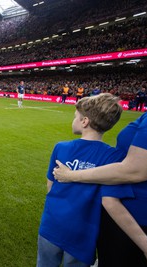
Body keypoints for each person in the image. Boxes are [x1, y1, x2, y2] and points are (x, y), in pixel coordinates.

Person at [37, 93, 136, 267]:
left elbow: (50, 184)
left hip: (52, 223)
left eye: (75, 116)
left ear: (85, 122)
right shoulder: (115, 157)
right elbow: (110, 200)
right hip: (84, 232)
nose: (73, 120)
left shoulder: (61, 147)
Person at [53, 107, 147, 266]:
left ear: (85, 121)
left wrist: (71, 175)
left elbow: (135, 171)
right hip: (115, 220)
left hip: (136, 220)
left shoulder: (109, 156)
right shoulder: (111, 155)